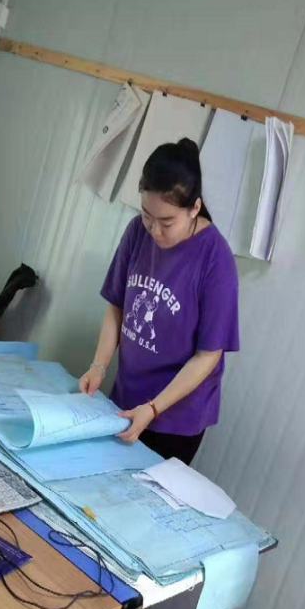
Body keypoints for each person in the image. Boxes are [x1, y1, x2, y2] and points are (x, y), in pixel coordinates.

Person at [79, 138, 239, 466]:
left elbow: (208, 356)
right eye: (147, 215)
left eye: (167, 222)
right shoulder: (137, 232)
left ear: (194, 208)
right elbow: (117, 307)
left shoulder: (215, 259)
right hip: (127, 397)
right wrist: (98, 366)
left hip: (176, 418)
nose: (154, 230)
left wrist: (153, 409)